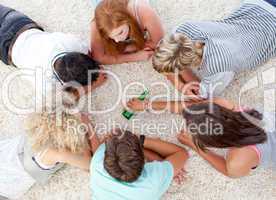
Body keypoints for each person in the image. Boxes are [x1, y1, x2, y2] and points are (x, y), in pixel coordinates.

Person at [152, 0, 276, 99]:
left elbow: (201, 95)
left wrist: (178, 84)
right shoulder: (184, 29)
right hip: (258, 4)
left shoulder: (219, 68)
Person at [127, 97, 276, 178]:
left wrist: (195, 146)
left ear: (215, 142)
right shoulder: (221, 105)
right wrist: (147, 105)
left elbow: (229, 171)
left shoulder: (239, 158)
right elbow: (189, 108)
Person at [0, 4, 107, 106]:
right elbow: (63, 102)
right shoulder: (46, 83)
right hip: (6, 49)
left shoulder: (70, 43)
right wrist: (93, 85)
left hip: (17, 23)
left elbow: (88, 52)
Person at [0, 109, 98, 199]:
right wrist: (87, 126)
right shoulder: (55, 152)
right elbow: (91, 164)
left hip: (7, 154)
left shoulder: (39, 121)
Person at [90, 129, 189, 200]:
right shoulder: (153, 180)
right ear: (144, 160)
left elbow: (102, 147)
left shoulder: (96, 163)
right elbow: (181, 153)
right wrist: (141, 140)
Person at [90, 0, 164, 64]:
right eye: (110, 36)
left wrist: (127, 48)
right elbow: (98, 58)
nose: (117, 40)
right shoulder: (97, 24)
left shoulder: (143, 11)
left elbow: (159, 42)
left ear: (128, 20)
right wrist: (134, 56)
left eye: (120, 32)